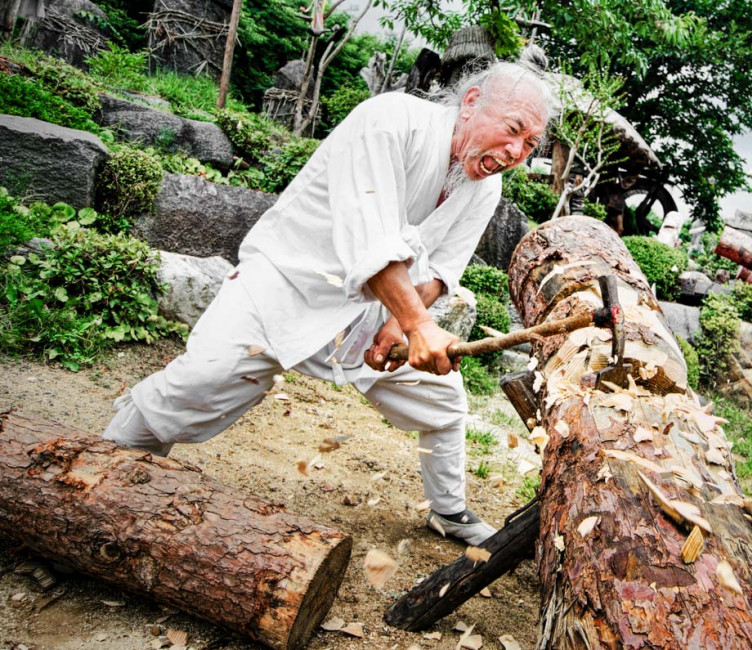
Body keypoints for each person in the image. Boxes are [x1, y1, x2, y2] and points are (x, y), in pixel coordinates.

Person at [103, 62, 555, 547]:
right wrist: (417, 323)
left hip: (373, 311)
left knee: (442, 401)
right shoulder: (389, 120)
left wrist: (401, 328)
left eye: (530, 144)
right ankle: (99, 468)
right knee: (200, 382)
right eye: (512, 130)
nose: (515, 152)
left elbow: (442, 270)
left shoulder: (485, 187)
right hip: (282, 284)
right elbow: (373, 242)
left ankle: (449, 511)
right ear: (470, 102)